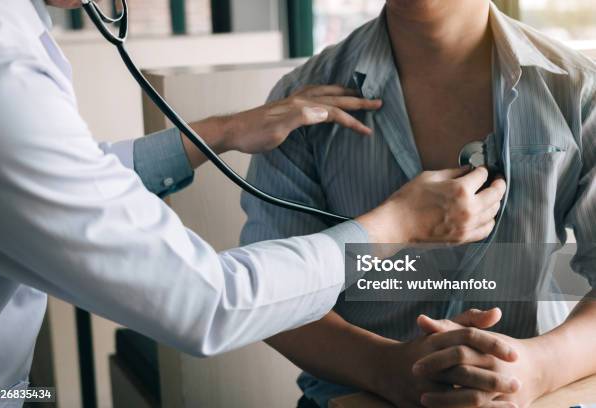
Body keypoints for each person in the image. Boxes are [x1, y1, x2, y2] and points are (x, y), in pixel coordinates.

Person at [0, 0, 509, 403]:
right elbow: (208, 302)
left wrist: (224, 132)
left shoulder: (575, 88)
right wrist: (395, 226)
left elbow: (63, 184)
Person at [241, 0, 596, 407]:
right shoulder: (302, 100)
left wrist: (537, 367)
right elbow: (268, 296)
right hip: (357, 396)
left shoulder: (579, 91)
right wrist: (385, 367)